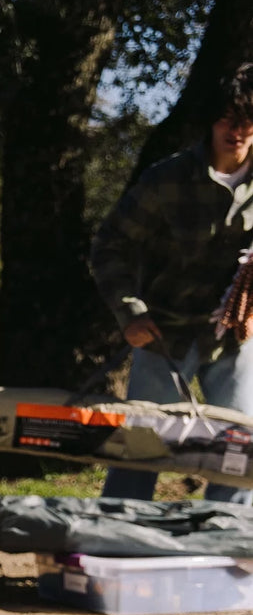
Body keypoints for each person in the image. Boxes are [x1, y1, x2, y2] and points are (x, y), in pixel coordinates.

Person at [91, 63, 253, 503]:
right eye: (226, 117)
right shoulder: (168, 178)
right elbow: (110, 245)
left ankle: (226, 550)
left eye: (247, 120)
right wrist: (130, 313)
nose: (236, 130)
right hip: (164, 335)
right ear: (211, 120)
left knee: (240, 453)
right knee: (141, 448)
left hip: (235, 341)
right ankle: (118, 545)